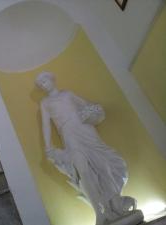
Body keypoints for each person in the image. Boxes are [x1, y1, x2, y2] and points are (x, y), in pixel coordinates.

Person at [36, 72, 140, 225]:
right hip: (69, 136)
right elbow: (46, 125)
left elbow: (87, 106)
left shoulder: (68, 94)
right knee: (83, 171)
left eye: (45, 80)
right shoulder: (45, 103)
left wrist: (92, 111)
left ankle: (115, 203)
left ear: (52, 80)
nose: (44, 84)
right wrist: (48, 146)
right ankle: (100, 212)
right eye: (41, 84)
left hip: (85, 130)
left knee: (103, 165)